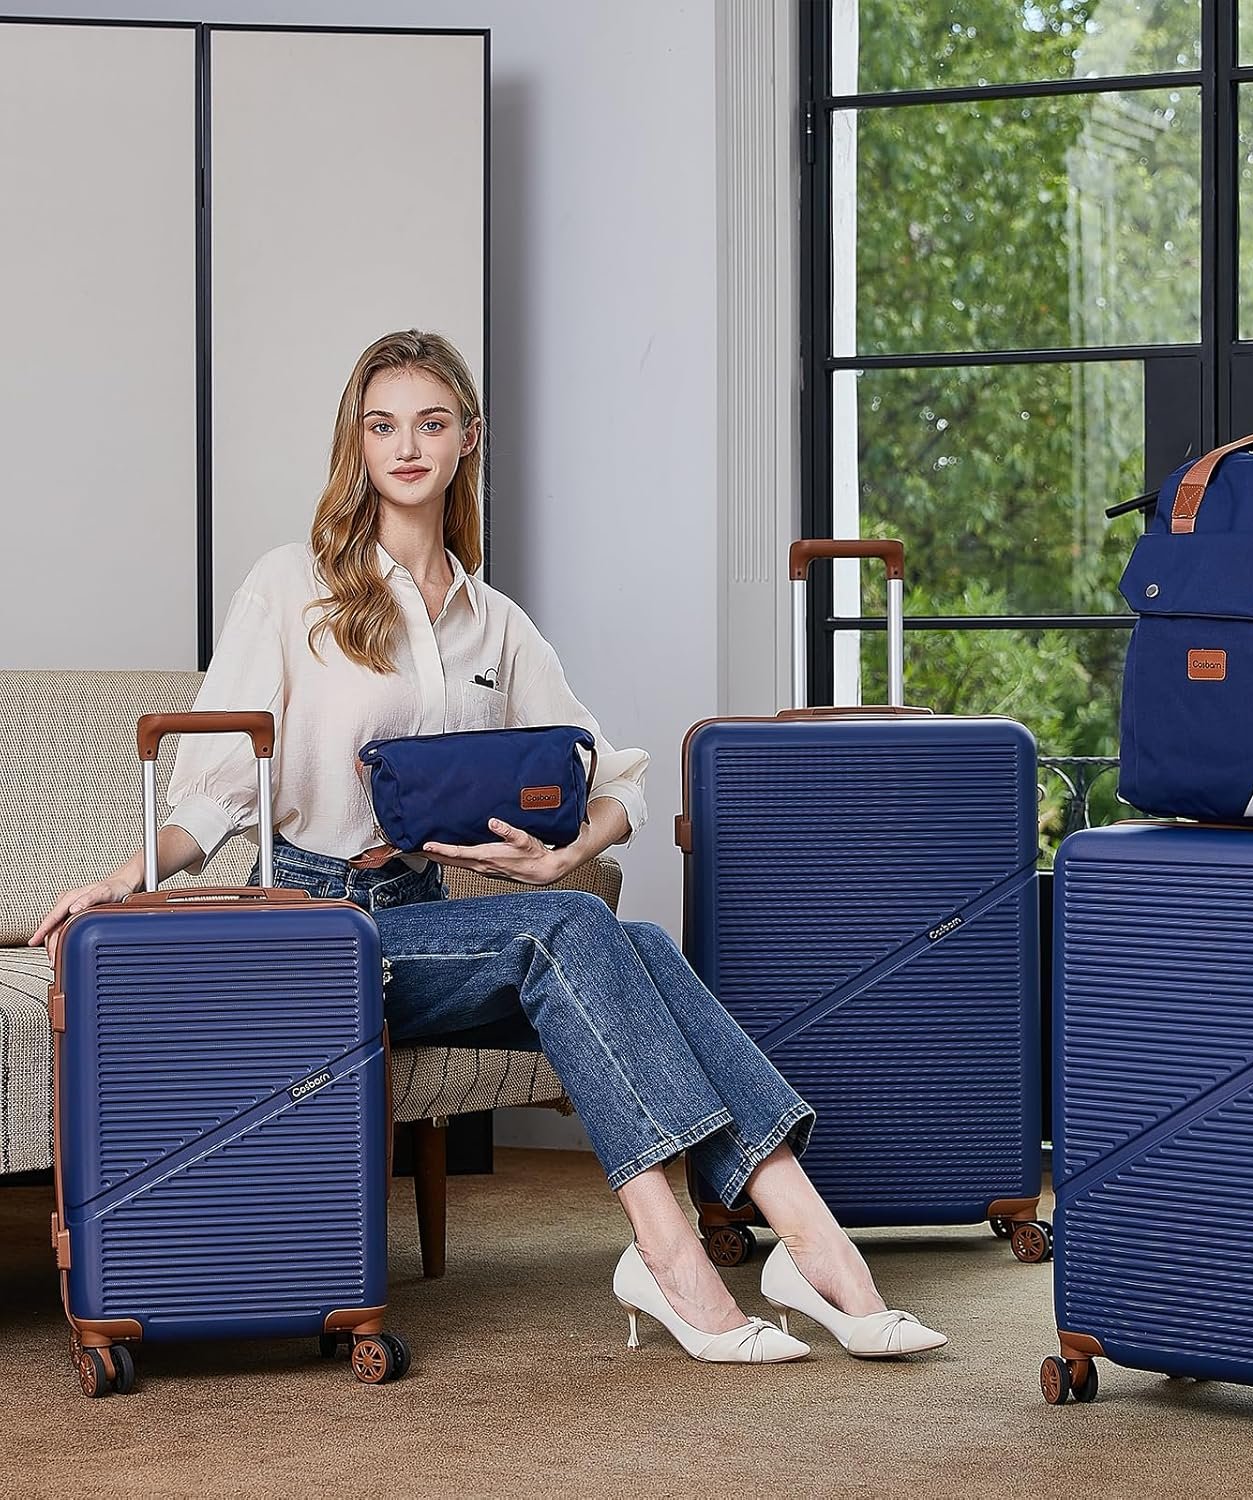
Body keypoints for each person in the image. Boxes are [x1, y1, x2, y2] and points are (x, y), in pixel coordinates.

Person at [31, 329, 945, 1364]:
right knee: (571, 928)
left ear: (468, 438)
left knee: (634, 941)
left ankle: (811, 1243)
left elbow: (617, 776)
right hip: (311, 932)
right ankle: (673, 1252)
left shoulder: (493, 624)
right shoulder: (291, 586)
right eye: (382, 426)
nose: (405, 447)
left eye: (430, 424)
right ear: (355, 442)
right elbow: (213, 787)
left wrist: (562, 855)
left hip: (416, 921)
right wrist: (124, 877)